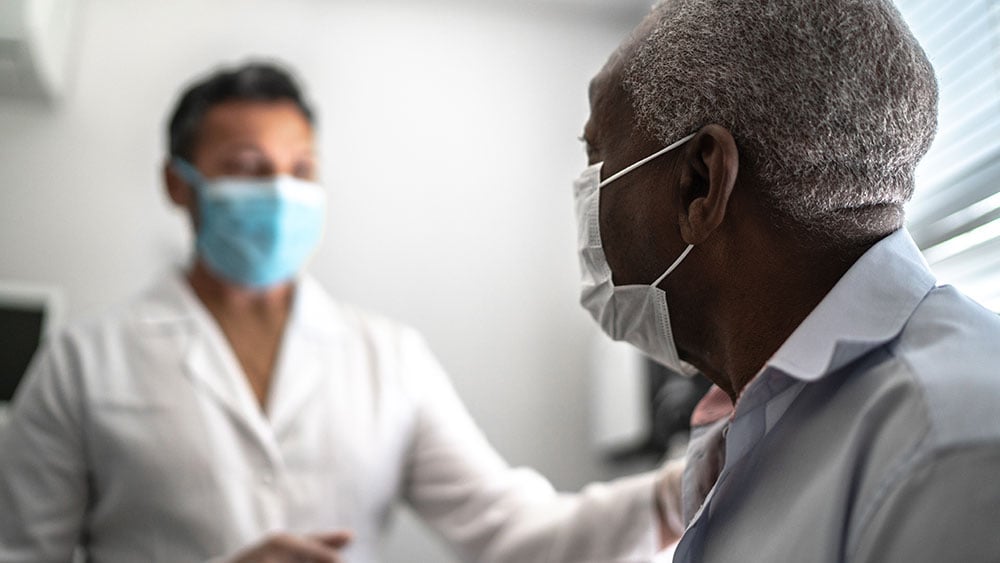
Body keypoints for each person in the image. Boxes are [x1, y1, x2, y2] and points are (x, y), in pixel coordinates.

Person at [0, 63, 684, 562]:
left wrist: (672, 493)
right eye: (248, 167)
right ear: (179, 185)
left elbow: (510, 528)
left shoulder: (387, 358)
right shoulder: (83, 362)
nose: (280, 191)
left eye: (300, 170)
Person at [575, 0, 1000, 561]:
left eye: (596, 155)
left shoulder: (947, 454)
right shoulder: (765, 417)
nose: (586, 190)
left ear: (700, 185)